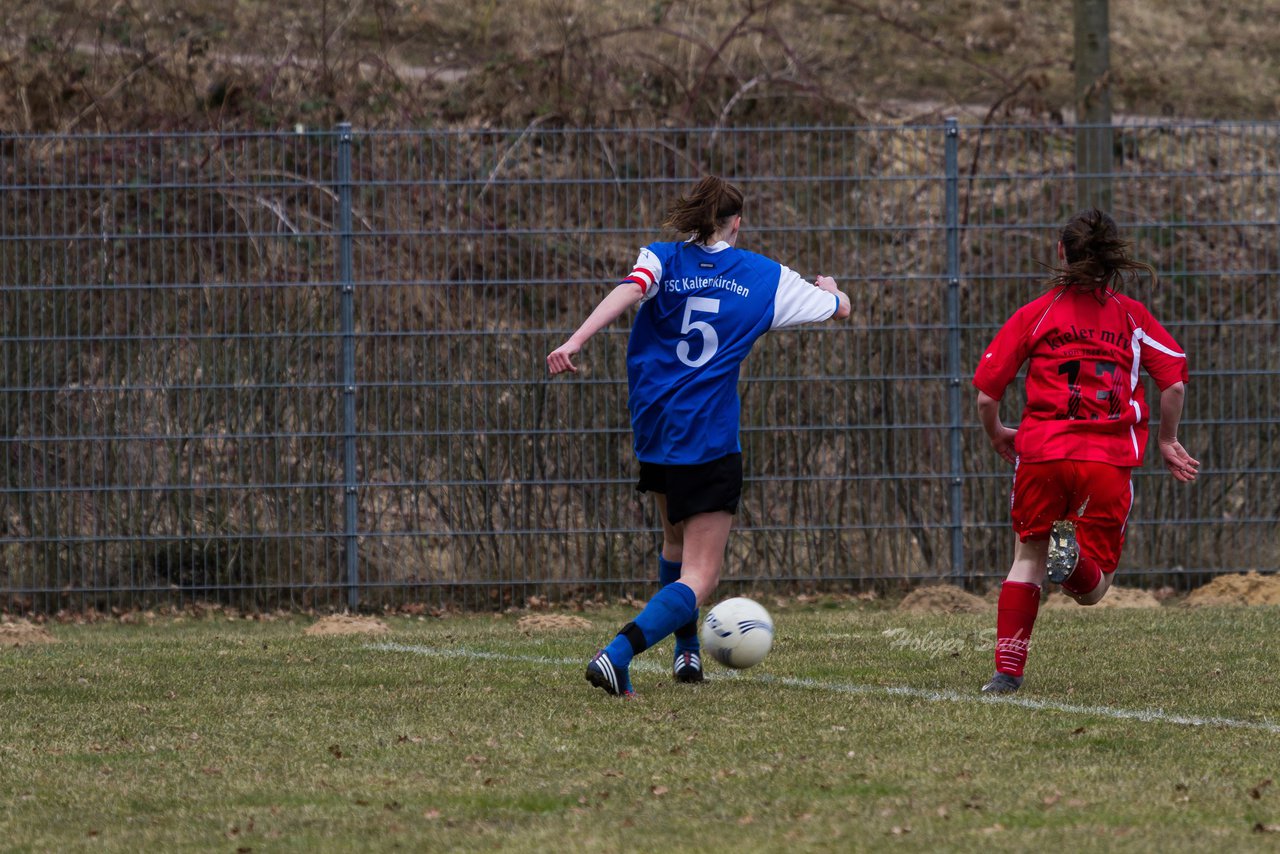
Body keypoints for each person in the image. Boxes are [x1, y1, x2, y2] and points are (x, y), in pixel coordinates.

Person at [547, 175, 851, 697]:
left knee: (673, 540)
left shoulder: (661, 258)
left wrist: (576, 339)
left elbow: (629, 289)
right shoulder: (765, 277)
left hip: (656, 425)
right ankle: (616, 655)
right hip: (708, 437)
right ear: (737, 223)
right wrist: (831, 290)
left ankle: (687, 652)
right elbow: (842, 310)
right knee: (702, 576)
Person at [973, 208, 1200, 694]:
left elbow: (987, 395)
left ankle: (1006, 674)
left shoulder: (1039, 312)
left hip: (1044, 453)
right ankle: (1074, 566)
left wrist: (997, 434)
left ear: (1062, 253)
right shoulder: (1132, 317)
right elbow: (1174, 382)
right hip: (1107, 462)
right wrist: (1165, 439)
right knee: (1096, 592)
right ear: (1111, 259)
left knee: (1027, 555)